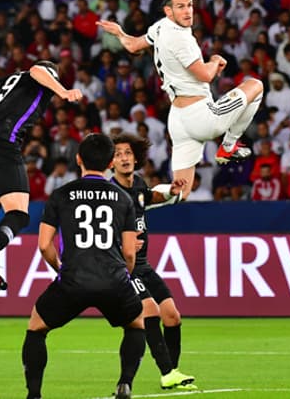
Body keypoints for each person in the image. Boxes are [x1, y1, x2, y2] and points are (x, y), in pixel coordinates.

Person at [97, 0, 264, 197]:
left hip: (178, 119)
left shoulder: (159, 26)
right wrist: (214, 60)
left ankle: (136, 198)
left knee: (180, 191)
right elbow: (205, 74)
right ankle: (229, 145)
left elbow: (133, 46)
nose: (187, 12)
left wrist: (120, 33)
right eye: (180, 7)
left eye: (189, 5)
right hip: (200, 114)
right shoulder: (180, 38)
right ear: (169, 11)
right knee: (256, 85)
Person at [22, 133, 145, 399]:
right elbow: (129, 252)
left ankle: (34, 395)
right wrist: (125, 276)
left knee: (36, 328)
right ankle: (125, 383)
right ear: (111, 162)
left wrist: (60, 269)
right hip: (114, 278)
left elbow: (44, 245)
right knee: (136, 324)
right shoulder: (123, 198)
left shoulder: (60, 195)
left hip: (73, 279)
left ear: (78, 159)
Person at [0, 60, 84, 292]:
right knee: (18, 214)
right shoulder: (38, 77)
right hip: (2, 143)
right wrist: (62, 91)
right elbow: (36, 71)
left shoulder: (4, 83)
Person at [110, 133, 196, 390]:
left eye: (127, 153)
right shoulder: (110, 193)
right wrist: (122, 245)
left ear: (136, 158)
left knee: (172, 316)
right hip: (124, 265)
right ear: (110, 162)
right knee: (151, 311)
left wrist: (170, 191)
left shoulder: (136, 183)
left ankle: (173, 372)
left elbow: (148, 198)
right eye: (117, 154)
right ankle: (167, 372)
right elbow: (103, 232)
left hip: (144, 264)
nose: (124, 158)